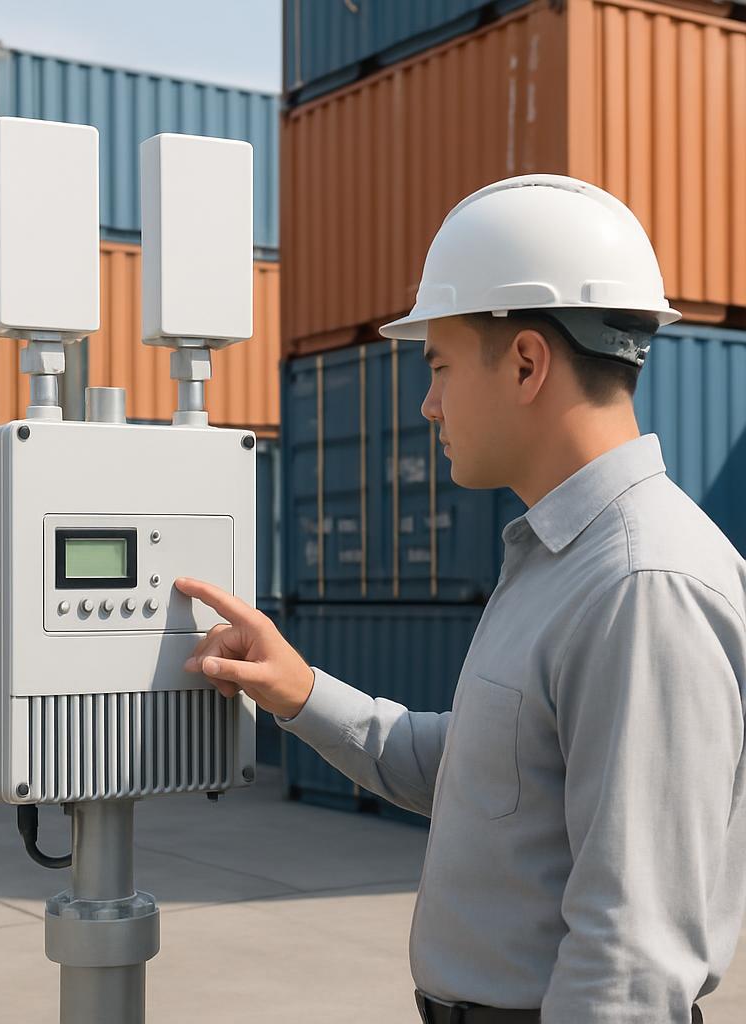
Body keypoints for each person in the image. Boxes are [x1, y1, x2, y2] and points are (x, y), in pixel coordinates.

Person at [175, 175, 746, 1024]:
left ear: (525, 363)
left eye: (438, 365)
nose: (427, 402)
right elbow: (481, 774)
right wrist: (299, 690)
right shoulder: (561, 559)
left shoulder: (641, 585)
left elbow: (629, 964)